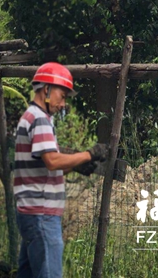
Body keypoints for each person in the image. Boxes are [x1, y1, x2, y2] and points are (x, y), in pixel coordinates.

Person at [13, 62, 108, 278]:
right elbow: (52, 161)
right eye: (62, 95)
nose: (63, 103)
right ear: (46, 89)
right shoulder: (39, 119)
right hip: (42, 213)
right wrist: (88, 154)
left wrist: (75, 165)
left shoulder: (31, 116)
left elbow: (44, 167)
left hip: (31, 210)